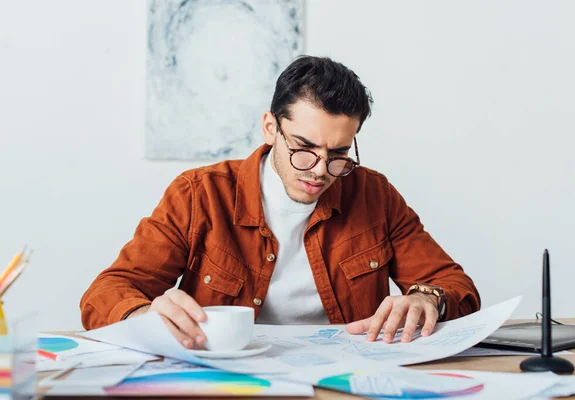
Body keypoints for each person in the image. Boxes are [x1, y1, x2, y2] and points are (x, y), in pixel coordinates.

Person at [81, 56, 480, 349]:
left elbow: (456, 286)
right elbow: (107, 292)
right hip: (228, 382)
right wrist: (144, 316)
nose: (321, 171)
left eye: (339, 152)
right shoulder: (199, 194)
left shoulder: (374, 195)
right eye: (304, 148)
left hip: (344, 380)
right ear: (271, 128)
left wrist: (427, 299)